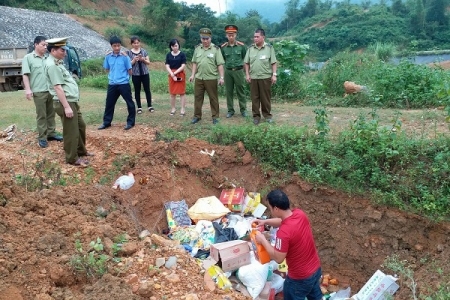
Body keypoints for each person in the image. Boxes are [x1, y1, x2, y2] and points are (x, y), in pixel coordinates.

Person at [254, 189, 322, 300]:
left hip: (299, 278)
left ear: (276, 208)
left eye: (270, 208)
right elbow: (283, 221)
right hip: (315, 270)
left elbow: (278, 258)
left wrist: (263, 240)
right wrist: (265, 222)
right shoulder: (299, 214)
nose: (270, 210)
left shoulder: (284, 233)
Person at [44, 37, 92, 166]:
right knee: (71, 131)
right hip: (65, 102)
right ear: (53, 50)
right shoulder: (52, 65)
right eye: (62, 50)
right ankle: (72, 158)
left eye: (65, 50)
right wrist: (66, 107)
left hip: (71, 101)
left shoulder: (58, 62)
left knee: (81, 126)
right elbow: (57, 87)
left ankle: (81, 151)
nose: (65, 53)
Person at [22, 35, 63, 148]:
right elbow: (25, 74)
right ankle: (42, 137)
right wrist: (28, 89)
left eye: (46, 45)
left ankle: (51, 134)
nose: (45, 47)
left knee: (51, 114)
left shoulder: (48, 58)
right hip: (38, 91)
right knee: (41, 115)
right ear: (36, 45)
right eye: (43, 45)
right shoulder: (28, 58)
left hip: (51, 90)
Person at [98, 36, 136, 131]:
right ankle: (106, 122)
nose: (117, 48)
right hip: (112, 84)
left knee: (129, 102)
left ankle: (130, 122)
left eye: (118, 46)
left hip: (123, 83)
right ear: (111, 46)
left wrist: (126, 79)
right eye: (115, 46)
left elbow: (130, 70)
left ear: (121, 46)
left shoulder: (125, 57)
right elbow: (107, 68)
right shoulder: (108, 57)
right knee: (109, 103)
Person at [189, 28, 225, 125]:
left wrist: (221, 77)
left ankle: (215, 117)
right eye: (203, 39)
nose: (205, 41)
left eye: (207, 39)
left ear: (210, 38)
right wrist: (192, 75)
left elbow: (220, 64)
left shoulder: (216, 49)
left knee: (213, 98)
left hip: (211, 78)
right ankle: (197, 116)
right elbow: (195, 63)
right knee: (198, 98)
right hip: (199, 77)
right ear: (201, 38)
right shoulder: (197, 49)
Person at [244, 28, 277, 125]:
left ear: (263, 37)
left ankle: (267, 116)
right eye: (254, 37)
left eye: (257, 37)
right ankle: (256, 117)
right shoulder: (250, 49)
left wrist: (274, 75)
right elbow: (246, 63)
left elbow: (274, 62)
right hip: (253, 77)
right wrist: (247, 74)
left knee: (265, 98)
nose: (255, 39)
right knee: (255, 98)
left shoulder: (269, 48)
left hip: (265, 77)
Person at [220, 25, 247, 118]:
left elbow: (245, 58)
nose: (231, 36)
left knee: (241, 91)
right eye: (229, 34)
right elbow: (222, 59)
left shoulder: (241, 47)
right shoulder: (223, 48)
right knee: (229, 91)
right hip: (228, 71)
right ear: (226, 35)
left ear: (236, 35)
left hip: (239, 71)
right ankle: (230, 110)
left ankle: (243, 110)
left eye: (232, 34)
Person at [126, 36, 154, 114]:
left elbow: (148, 62)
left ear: (139, 43)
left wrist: (143, 59)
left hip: (145, 73)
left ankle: (150, 105)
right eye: (134, 43)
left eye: (138, 43)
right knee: (137, 90)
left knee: (147, 89)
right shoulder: (129, 53)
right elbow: (128, 65)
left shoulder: (144, 51)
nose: (136, 44)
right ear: (132, 44)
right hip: (135, 74)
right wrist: (134, 60)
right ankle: (139, 107)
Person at [165, 39, 187, 116]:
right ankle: (173, 108)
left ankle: (182, 109)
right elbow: (167, 65)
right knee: (172, 93)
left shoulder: (182, 54)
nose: (175, 47)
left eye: (176, 45)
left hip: (180, 73)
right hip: (171, 74)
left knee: (182, 93)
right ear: (171, 47)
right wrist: (172, 74)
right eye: (173, 46)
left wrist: (175, 73)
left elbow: (183, 65)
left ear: (178, 46)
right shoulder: (168, 55)